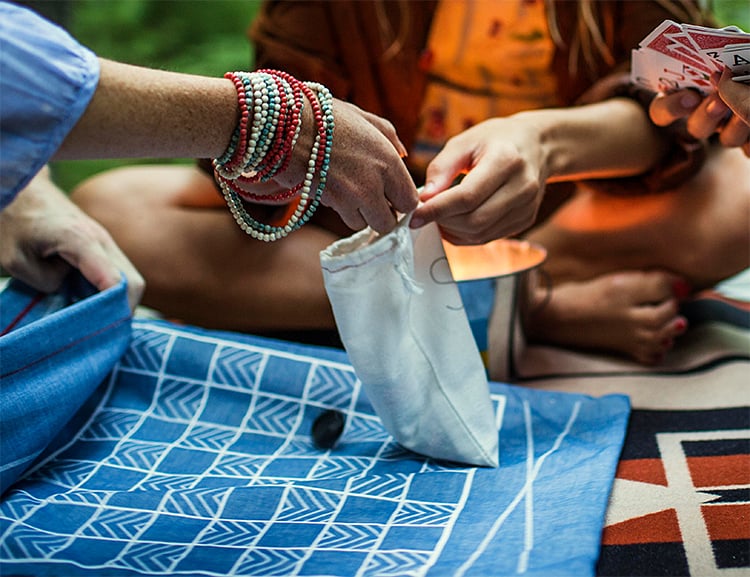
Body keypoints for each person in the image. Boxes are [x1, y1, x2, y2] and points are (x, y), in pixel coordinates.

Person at [72, 0, 748, 364]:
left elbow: (662, 122)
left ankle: (464, 301)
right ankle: (532, 304)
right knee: (109, 212)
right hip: (373, 228)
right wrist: (280, 161)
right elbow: (277, 120)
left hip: (563, 214)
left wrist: (539, 141)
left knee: (738, 199)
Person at [0, 1, 418, 312]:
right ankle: (422, 293)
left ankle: (445, 289)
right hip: (328, 231)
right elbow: (21, 74)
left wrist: (25, 190)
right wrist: (267, 131)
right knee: (110, 205)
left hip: (459, 237)